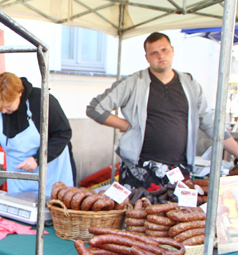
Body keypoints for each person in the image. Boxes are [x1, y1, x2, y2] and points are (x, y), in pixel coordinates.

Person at [86, 32, 238, 189]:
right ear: (147, 57)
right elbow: (95, 109)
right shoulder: (133, 83)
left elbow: (211, 124)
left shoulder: (190, 84)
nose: (160, 56)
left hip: (179, 170)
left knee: (178, 213)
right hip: (139, 169)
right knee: (135, 213)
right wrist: (127, 125)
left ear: (172, 50)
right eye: (154, 53)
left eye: (164, 50)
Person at [0, 72, 76, 194]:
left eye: (8, 107)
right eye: (1, 108)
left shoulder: (42, 101)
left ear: (19, 93)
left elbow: (63, 133)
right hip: (18, 183)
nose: (4, 111)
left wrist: (38, 159)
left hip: (51, 178)